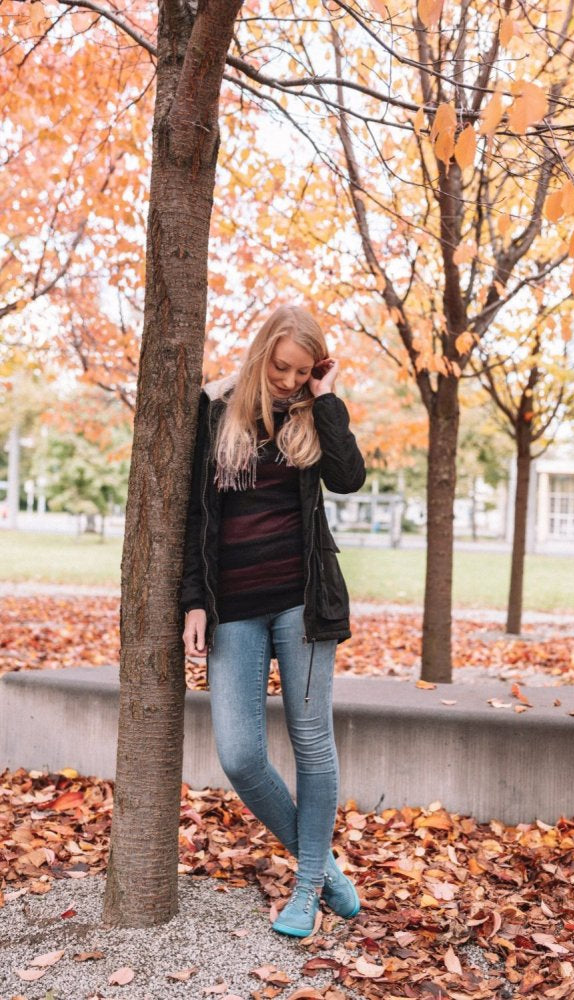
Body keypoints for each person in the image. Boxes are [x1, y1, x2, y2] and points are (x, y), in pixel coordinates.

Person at [179, 303, 366, 938]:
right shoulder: (215, 409)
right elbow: (195, 516)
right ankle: (328, 868)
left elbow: (350, 479)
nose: (288, 381)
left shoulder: (313, 416)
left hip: (302, 604)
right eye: (281, 367)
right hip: (234, 606)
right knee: (238, 755)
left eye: (302, 372)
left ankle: (307, 887)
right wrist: (194, 601)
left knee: (313, 745)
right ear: (263, 353)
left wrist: (328, 397)